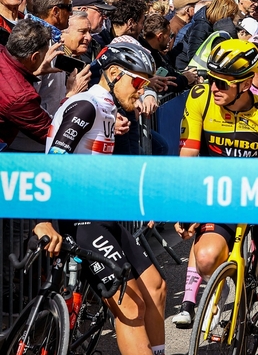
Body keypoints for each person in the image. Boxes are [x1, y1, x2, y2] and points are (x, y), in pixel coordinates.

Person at [176, 39, 258, 354]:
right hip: (219, 196)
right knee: (205, 258)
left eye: (222, 83)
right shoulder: (199, 100)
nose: (213, 87)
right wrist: (182, 205)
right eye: (210, 78)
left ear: (245, 83)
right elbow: (188, 155)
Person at [43, 42, 167, 355]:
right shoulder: (87, 105)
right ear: (112, 73)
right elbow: (52, 166)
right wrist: (45, 221)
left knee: (157, 287)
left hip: (103, 213)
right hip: (79, 218)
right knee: (131, 308)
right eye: (138, 83)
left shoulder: (108, 108)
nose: (140, 91)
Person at [0, 20, 62, 147]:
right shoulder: (21, 98)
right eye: (45, 54)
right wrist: (71, 95)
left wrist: (34, 72)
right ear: (34, 57)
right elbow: (51, 134)